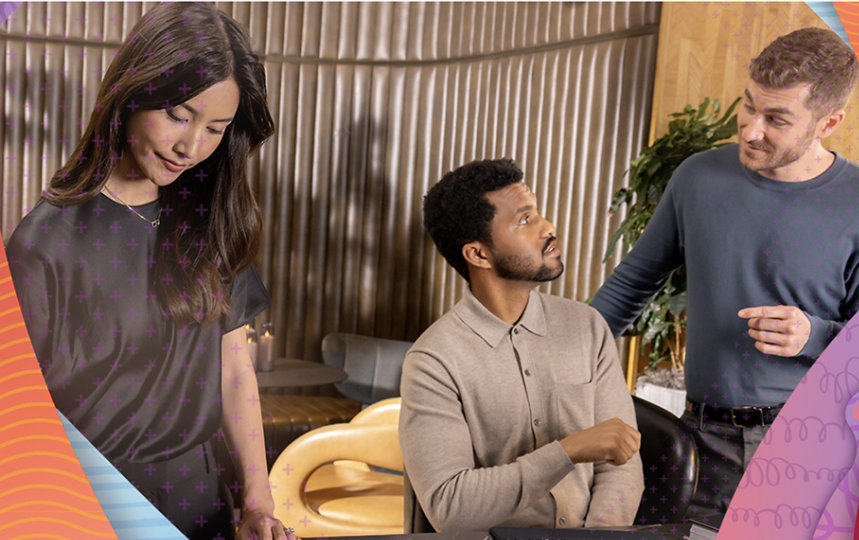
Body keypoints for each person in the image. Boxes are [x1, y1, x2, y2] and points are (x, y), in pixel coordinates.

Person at [5, 4, 295, 540]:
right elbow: (21, 417)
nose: (191, 147)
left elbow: (234, 369)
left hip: (200, 501)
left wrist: (258, 499)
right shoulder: (45, 241)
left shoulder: (212, 220)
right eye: (179, 115)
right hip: (90, 504)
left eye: (215, 128)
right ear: (132, 94)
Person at [590, 27, 859, 520]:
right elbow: (632, 284)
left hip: (809, 447)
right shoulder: (697, 176)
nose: (751, 128)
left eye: (776, 118)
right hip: (697, 439)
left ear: (829, 122)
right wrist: (560, 354)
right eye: (749, 104)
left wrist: (815, 336)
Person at [399, 159, 644, 532]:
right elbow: (449, 507)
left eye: (538, 214)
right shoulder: (433, 361)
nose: (549, 228)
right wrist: (569, 451)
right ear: (478, 254)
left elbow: (623, 465)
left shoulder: (587, 327)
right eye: (525, 220)